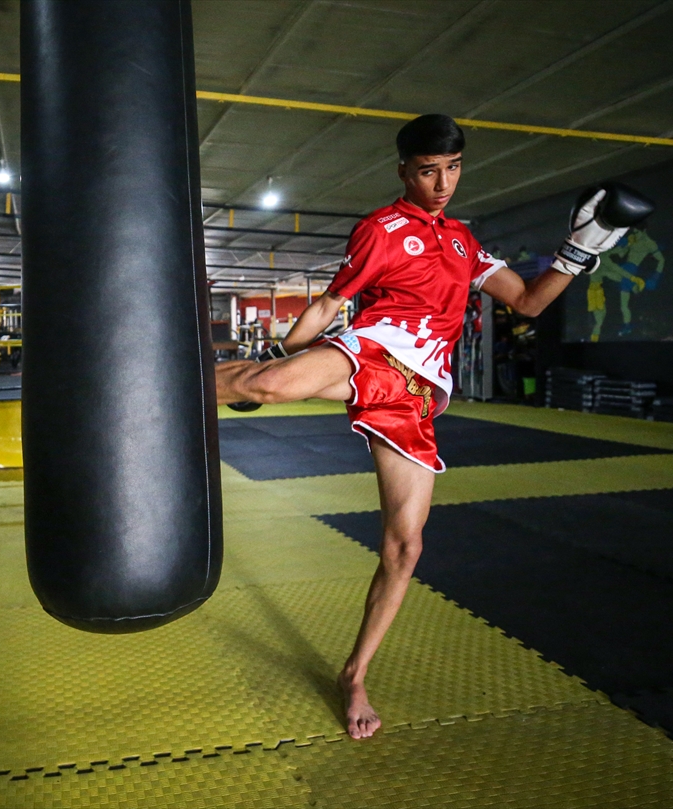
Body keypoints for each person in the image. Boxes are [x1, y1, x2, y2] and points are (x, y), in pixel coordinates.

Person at [215, 114, 630, 741]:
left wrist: (579, 249)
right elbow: (330, 304)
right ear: (404, 170)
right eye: (429, 171)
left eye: (453, 169)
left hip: (417, 394)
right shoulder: (381, 228)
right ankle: (154, 388)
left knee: (405, 548)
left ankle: (354, 675)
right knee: (267, 385)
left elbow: (529, 302)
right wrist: (281, 355)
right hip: (375, 349)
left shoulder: (466, 243)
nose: (443, 184)